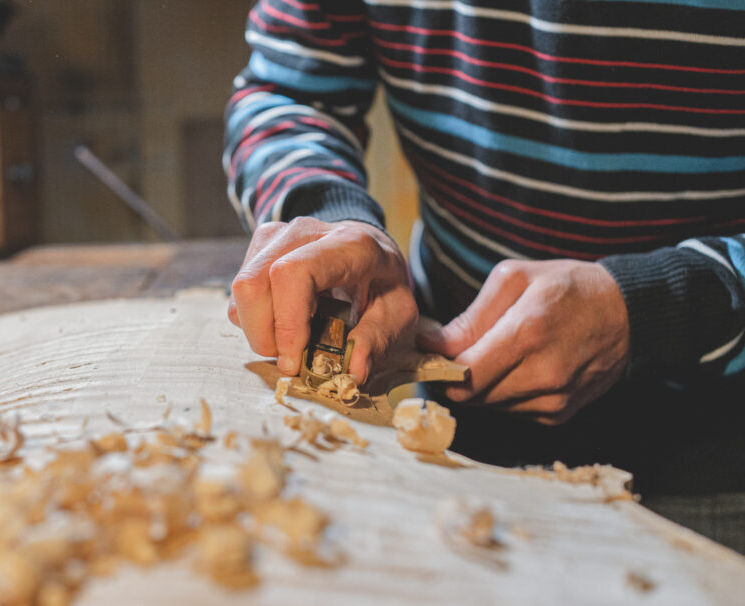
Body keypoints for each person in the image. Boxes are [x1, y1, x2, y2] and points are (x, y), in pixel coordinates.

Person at [223, 1, 745, 549]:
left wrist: (663, 306)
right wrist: (330, 215)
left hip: (720, 458)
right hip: (458, 442)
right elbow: (287, 92)